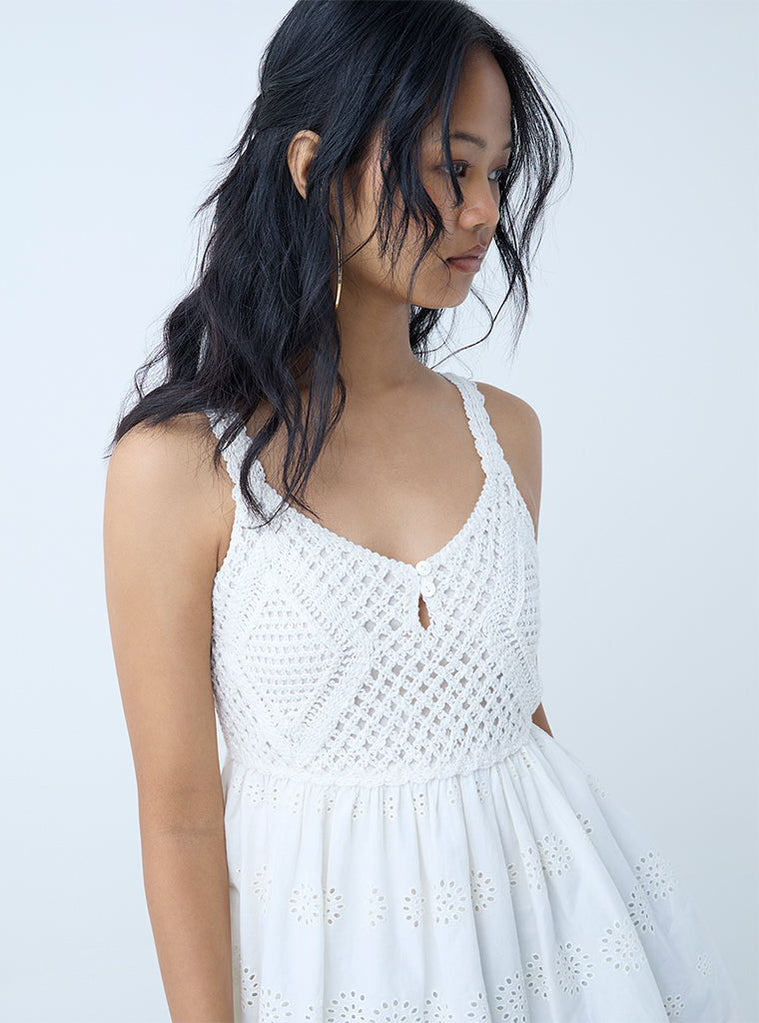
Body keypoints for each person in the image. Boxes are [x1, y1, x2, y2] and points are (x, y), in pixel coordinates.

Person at [102, 2, 743, 1020]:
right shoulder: (178, 466)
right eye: (451, 169)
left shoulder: (507, 434)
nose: (483, 212)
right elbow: (179, 814)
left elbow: (515, 721)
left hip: (540, 952)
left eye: (496, 173)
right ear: (312, 167)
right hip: (319, 966)